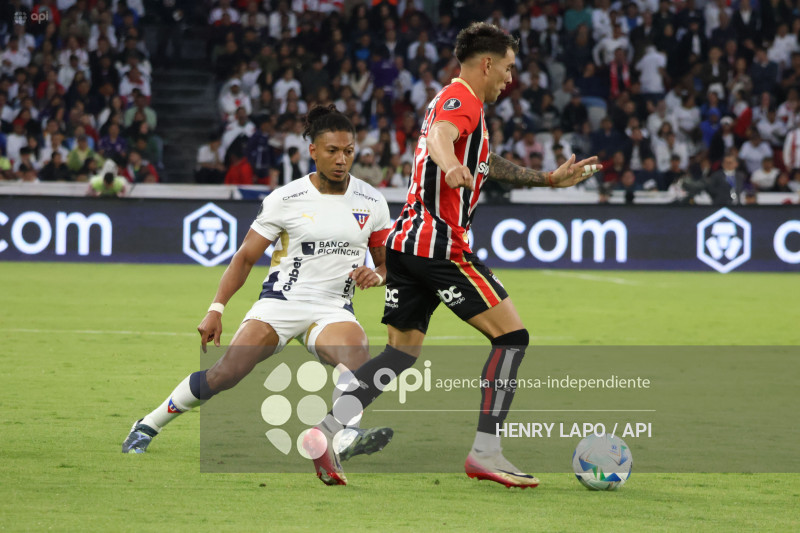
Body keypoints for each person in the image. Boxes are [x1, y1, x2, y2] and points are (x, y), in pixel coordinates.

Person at [303, 23, 601, 488]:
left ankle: (325, 433)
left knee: (398, 356)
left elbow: (486, 161)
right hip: (438, 244)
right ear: (487, 64)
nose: (509, 78)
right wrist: (450, 163)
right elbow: (443, 137)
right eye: (507, 68)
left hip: (406, 243)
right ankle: (486, 452)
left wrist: (546, 178)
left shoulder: (462, 107)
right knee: (512, 338)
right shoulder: (461, 100)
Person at [122, 106, 395, 466]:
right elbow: (245, 258)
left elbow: (387, 263)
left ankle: (344, 435)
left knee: (357, 356)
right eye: (332, 151)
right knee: (225, 375)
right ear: (313, 151)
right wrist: (216, 309)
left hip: (332, 307)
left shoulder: (372, 200)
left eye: (348, 151)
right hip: (280, 304)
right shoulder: (286, 199)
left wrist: (377, 275)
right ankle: (147, 424)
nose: (341, 159)